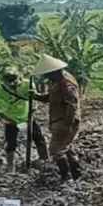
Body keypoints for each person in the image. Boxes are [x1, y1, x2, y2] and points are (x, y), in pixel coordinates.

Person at [30, 54, 82, 182]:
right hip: (58, 120)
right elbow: (53, 98)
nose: (45, 77)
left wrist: (67, 125)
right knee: (65, 147)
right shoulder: (56, 82)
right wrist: (37, 96)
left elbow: (72, 106)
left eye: (47, 74)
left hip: (65, 121)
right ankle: (76, 174)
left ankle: (65, 176)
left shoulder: (67, 84)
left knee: (55, 149)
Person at [0, 68, 49, 172]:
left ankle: (44, 159)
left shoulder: (26, 84)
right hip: (11, 118)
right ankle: (11, 167)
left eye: (15, 83)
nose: (13, 86)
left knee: (38, 137)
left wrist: (31, 116)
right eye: (10, 84)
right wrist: (8, 120)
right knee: (10, 143)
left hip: (27, 115)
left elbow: (34, 102)